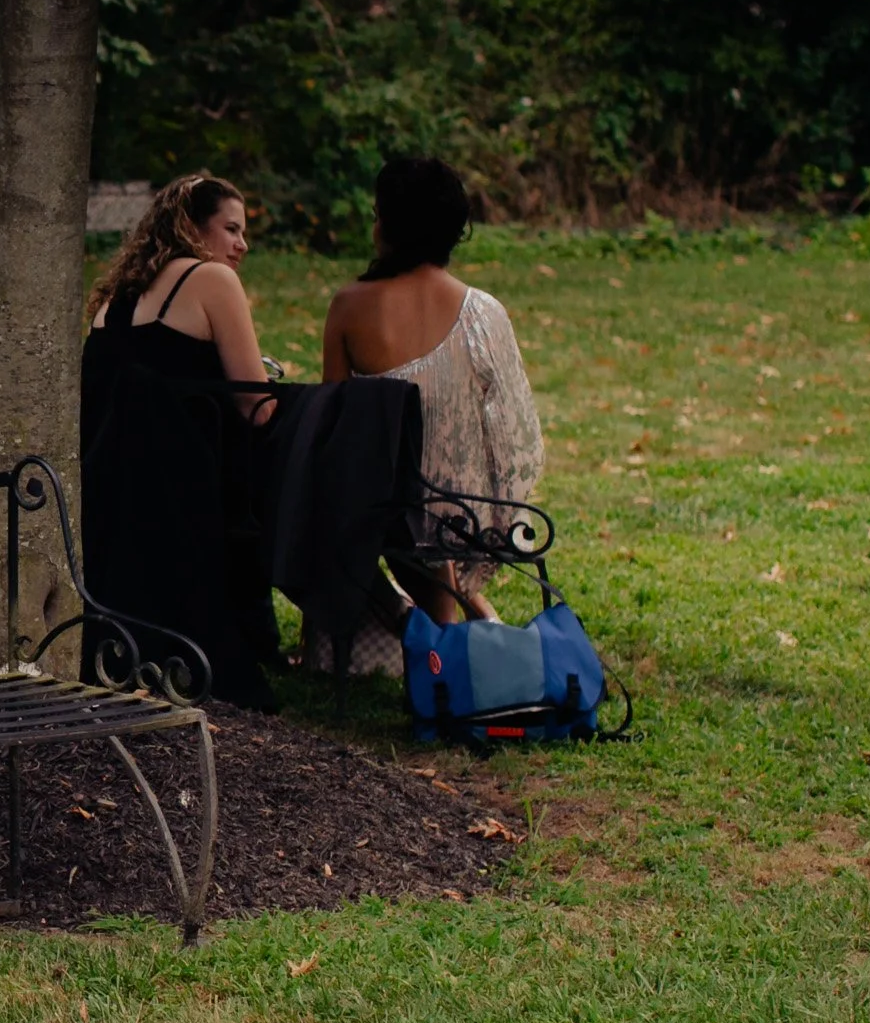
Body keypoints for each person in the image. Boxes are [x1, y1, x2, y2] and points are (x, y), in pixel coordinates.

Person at [80, 172, 280, 705]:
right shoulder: (212, 280)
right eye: (231, 229)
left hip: (109, 492)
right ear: (193, 229)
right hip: (185, 488)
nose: (242, 244)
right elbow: (254, 404)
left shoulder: (115, 299)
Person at [321, 155, 544, 626]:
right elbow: (514, 432)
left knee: (379, 502)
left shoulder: (349, 306)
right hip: (471, 509)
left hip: (390, 506)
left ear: (390, 225)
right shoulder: (484, 312)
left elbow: (336, 421)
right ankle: (468, 618)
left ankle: (414, 620)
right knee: (425, 507)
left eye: (377, 215)